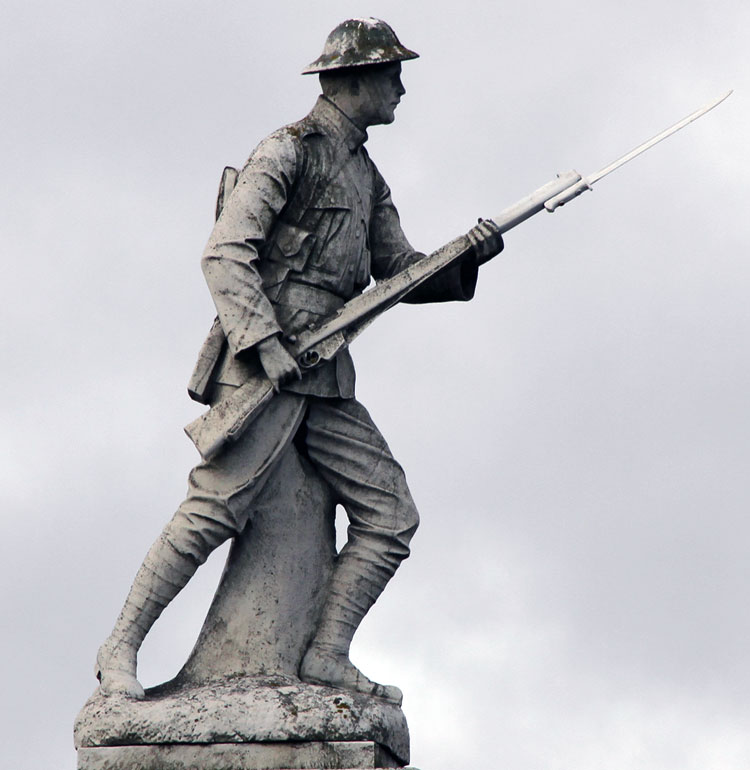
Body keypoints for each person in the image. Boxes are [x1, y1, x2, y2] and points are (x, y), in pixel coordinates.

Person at [95, 17, 503, 705]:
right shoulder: (288, 149)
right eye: (390, 73)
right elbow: (225, 252)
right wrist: (264, 342)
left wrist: (466, 258)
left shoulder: (367, 176)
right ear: (355, 79)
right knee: (214, 508)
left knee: (390, 514)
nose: (401, 87)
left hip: (325, 370)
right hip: (265, 362)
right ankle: (120, 648)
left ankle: (325, 652)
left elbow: (397, 272)